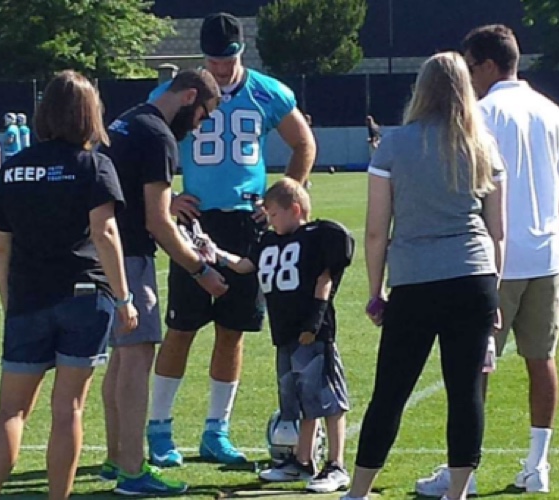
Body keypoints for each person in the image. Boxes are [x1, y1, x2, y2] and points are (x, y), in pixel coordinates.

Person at [415, 25, 559, 496]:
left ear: (487, 65)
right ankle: (538, 464)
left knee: (472, 367)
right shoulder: (551, 110)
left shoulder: (481, 113)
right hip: (546, 256)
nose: (467, 76)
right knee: (541, 359)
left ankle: (461, 472)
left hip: (493, 256)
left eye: (470, 66)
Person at [146, 11, 316, 467]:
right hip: (196, 221)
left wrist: (284, 195)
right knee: (181, 328)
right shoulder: (174, 92)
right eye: (214, 61)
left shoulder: (266, 91)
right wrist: (171, 196)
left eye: (229, 60)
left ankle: (215, 431)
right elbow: (150, 145)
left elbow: (303, 143)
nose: (221, 70)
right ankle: (159, 429)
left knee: (233, 330)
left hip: (246, 223)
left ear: (242, 52)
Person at [343, 51, 506, 500]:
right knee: (465, 390)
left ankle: (358, 491)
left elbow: (377, 230)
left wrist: (375, 292)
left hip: (414, 280)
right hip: (472, 276)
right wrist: (493, 292)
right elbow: (498, 232)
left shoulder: (395, 144)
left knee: (390, 391)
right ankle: (457, 492)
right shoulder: (483, 147)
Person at [0, 70, 137, 500]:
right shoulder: (93, 164)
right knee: (68, 408)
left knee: (10, 411)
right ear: (90, 115)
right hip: (84, 296)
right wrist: (124, 298)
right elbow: (104, 234)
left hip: (28, 298)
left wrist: (10, 301)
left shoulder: (11, 169)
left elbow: (1, 250)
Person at [96, 69, 229, 496]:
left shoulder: (128, 119)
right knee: (135, 358)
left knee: (120, 359)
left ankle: (116, 458)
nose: (199, 124)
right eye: (203, 114)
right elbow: (157, 221)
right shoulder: (158, 136)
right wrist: (201, 270)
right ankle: (133, 471)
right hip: (130, 254)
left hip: (102, 251)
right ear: (191, 96)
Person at [213, 178, 354, 494]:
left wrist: (314, 322)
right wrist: (216, 253)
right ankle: (301, 462)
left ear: (294, 209)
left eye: (274, 214)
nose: (270, 221)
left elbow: (325, 278)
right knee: (299, 401)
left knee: (327, 399)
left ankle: (337, 464)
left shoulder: (318, 236)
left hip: (311, 332)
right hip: (285, 332)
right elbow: (245, 265)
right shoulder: (268, 242)